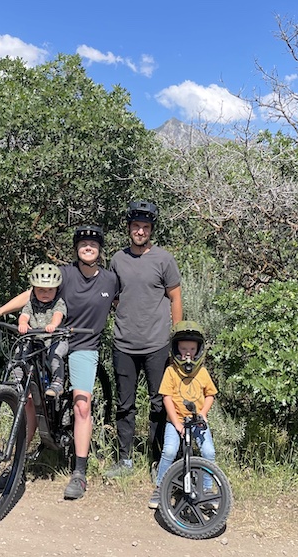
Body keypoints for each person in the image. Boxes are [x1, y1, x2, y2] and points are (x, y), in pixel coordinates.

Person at [0, 225, 117, 501]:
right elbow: (31, 296)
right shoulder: (64, 274)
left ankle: (79, 472)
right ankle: (18, 463)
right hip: (48, 341)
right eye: (83, 244)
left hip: (83, 345)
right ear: (77, 248)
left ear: (100, 250)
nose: (88, 248)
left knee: (81, 403)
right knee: (26, 399)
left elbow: (126, 304)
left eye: (93, 244)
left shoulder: (111, 280)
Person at [105, 200, 183, 478]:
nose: (140, 231)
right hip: (124, 343)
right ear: (129, 228)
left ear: (151, 230)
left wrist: (178, 335)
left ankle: (158, 461)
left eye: (145, 227)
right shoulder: (117, 259)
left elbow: (175, 296)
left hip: (157, 344)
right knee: (124, 404)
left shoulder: (164, 259)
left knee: (160, 403)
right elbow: (113, 296)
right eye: (136, 226)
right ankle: (124, 460)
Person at [149, 320, 217, 509]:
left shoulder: (202, 372)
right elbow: (166, 397)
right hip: (176, 421)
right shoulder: (171, 371)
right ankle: (161, 488)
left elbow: (210, 394)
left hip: (197, 421)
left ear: (199, 350)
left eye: (192, 348)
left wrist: (203, 413)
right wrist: (176, 423)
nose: (188, 352)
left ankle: (206, 490)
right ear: (176, 348)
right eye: (184, 348)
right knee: (169, 451)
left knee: (208, 452)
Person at [18, 263, 67, 397]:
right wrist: (23, 323)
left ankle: (57, 383)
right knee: (20, 351)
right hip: (35, 339)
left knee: (55, 356)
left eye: (50, 290)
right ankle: (16, 378)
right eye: (40, 290)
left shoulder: (58, 302)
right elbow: (24, 315)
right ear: (33, 289)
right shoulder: (31, 303)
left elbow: (58, 314)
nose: (45, 293)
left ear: (57, 290)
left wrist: (53, 324)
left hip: (55, 339)